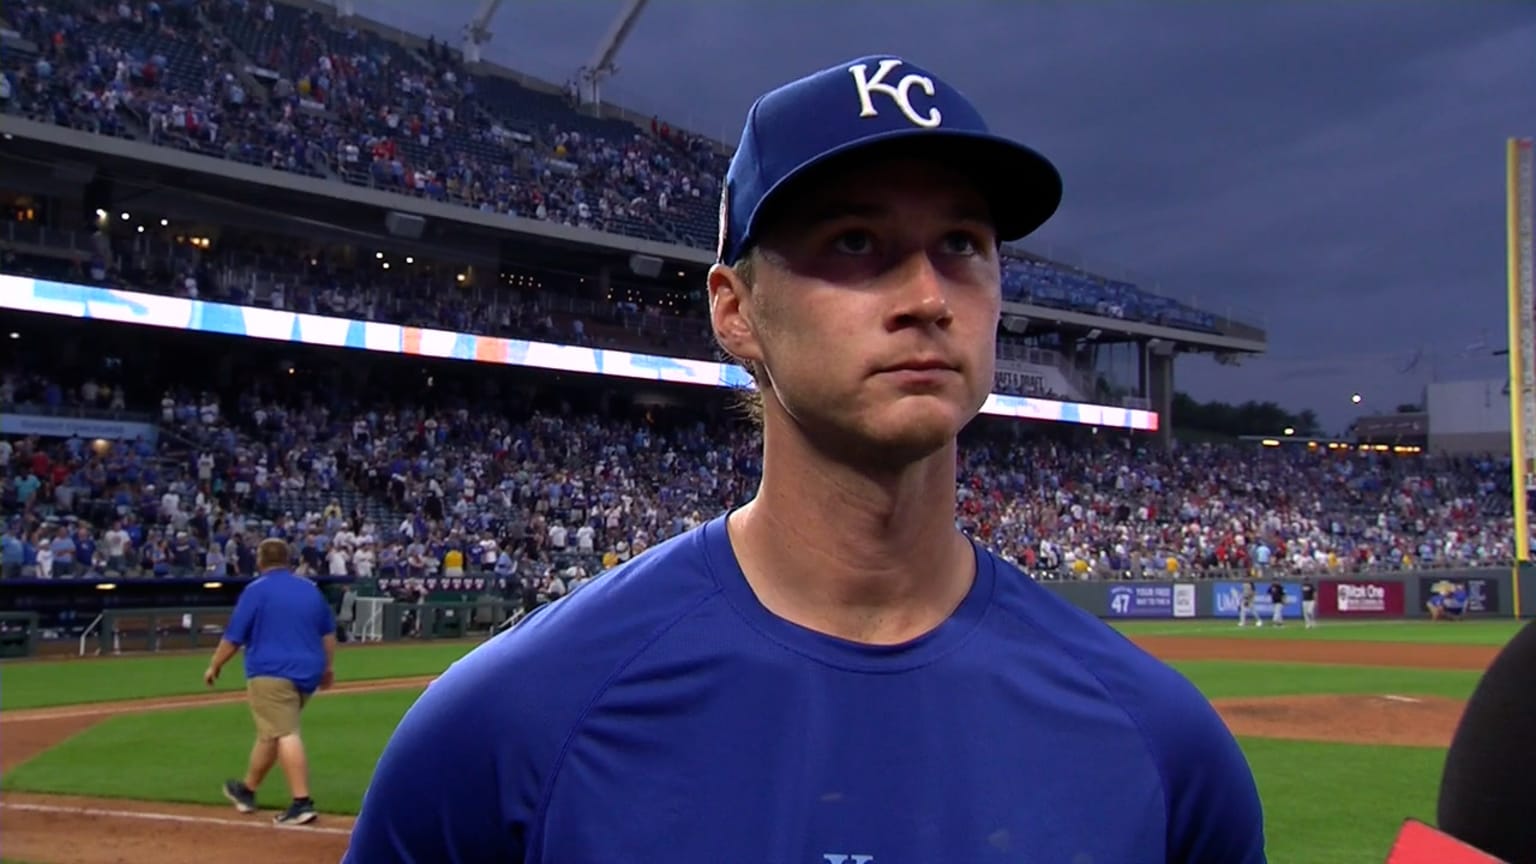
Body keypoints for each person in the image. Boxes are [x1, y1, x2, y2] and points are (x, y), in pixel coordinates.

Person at [343, 53, 1266, 863]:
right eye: (854, 242)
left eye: (963, 245)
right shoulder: (510, 727)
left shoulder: (1162, 746)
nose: (926, 296)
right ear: (735, 310)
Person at [205, 537, 336, 826]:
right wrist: (327, 668)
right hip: (308, 672)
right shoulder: (310, 589)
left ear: (260, 561)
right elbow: (328, 633)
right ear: (288, 560)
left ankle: (301, 802)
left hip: (271, 670)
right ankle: (247, 790)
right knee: (273, 731)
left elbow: (233, 636)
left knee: (285, 732)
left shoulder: (256, 590)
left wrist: (215, 665)